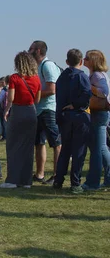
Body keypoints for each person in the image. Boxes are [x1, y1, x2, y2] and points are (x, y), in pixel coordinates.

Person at [0, 52, 41, 189]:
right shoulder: (36, 79)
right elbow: (37, 99)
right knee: (28, 148)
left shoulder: (14, 78)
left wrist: (6, 110)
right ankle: (26, 180)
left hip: (18, 111)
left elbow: (10, 98)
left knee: (13, 146)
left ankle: (12, 179)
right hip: (31, 112)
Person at [53, 49, 91, 194]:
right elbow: (87, 94)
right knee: (79, 151)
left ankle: (59, 180)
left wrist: (59, 117)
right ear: (81, 61)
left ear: (67, 61)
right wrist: (76, 104)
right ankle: (75, 182)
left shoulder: (61, 77)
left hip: (64, 116)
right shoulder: (82, 77)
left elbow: (58, 99)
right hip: (79, 116)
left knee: (65, 150)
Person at [29, 40, 62, 184]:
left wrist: (33, 95)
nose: (28, 51)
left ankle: (57, 175)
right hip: (39, 110)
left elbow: (51, 89)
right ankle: (40, 174)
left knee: (56, 143)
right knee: (39, 143)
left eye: (30, 49)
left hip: (49, 109)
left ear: (37, 50)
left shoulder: (47, 66)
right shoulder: (38, 66)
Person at [83, 50, 110, 190]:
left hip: (99, 113)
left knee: (98, 149)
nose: (84, 60)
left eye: (87, 58)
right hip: (99, 113)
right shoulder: (97, 75)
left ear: (93, 61)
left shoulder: (97, 76)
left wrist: (89, 87)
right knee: (102, 148)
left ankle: (93, 183)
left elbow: (104, 92)